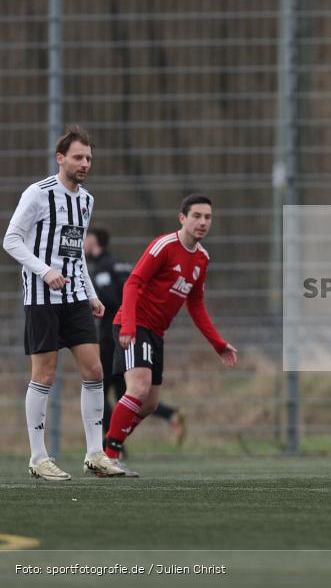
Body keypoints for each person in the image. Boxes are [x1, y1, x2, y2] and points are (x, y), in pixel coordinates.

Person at [3, 125, 125, 480]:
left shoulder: (86, 200)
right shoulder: (38, 194)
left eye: (89, 158)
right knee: (44, 374)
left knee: (95, 371)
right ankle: (38, 457)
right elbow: (11, 239)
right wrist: (44, 272)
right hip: (42, 297)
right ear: (61, 158)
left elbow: (76, 253)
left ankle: (95, 454)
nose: (85, 163)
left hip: (75, 298)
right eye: (78, 157)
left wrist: (91, 294)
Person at [103, 194, 237, 476]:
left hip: (156, 333)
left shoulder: (202, 258)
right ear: (182, 218)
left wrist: (218, 344)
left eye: (208, 217)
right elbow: (132, 283)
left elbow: (196, 304)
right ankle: (108, 457)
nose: (202, 222)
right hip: (134, 324)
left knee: (149, 404)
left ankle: (107, 451)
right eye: (196, 216)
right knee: (138, 388)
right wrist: (128, 326)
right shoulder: (164, 246)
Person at [84, 228, 187, 447]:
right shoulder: (122, 263)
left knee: (98, 391)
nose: (82, 244)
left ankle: (110, 443)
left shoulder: (102, 267)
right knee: (130, 393)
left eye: (85, 238)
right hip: (135, 330)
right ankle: (167, 415)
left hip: (116, 334)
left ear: (94, 240)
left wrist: (91, 303)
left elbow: (113, 298)